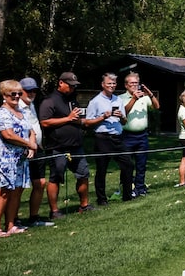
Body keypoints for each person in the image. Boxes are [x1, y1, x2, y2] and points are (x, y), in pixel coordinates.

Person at [38, 71, 93, 215]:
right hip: (57, 147)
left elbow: (76, 119)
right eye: (70, 86)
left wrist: (83, 122)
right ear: (61, 83)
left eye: (74, 86)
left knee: (83, 174)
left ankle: (84, 205)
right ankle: (54, 211)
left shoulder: (72, 99)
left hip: (76, 146)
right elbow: (44, 122)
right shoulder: (49, 100)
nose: (73, 89)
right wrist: (67, 119)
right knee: (55, 178)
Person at [0, 79, 36, 237]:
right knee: (4, 190)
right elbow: (8, 135)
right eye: (13, 94)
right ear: (4, 95)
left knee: (17, 190)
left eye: (19, 93)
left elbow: (31, 131)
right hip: (5, 156)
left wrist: (31, 144)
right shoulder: (2, 113)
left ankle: (11, 225)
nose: (16, 96)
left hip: (20, 156)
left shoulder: (21, 112)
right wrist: (28, 144)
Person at [86, 72, 133, 205]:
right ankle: (102, 199)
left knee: (128, 164)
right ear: (103, 85)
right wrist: (103, 118)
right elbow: (87, 122)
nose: (112, 86)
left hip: (117, 137)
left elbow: (124, 121)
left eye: (113, 83)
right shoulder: (95, 102)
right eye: (109, 83)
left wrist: (122, 117)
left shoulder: (118, 100)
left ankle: (127, 195)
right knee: (102, 169)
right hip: (102, 138)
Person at [17, 77, 54, 227]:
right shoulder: (16, 106)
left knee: (40, 183)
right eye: (28, 91)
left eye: (34, 91)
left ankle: (34, 217)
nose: (32, 93)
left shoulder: (31, 105)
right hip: (23, 150)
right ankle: (13, 220)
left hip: (37, 148)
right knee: (18, 187)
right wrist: (29, 145)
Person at [120, 72, 159, 197]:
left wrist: (150, 93)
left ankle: (140, 188)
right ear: (126, 85)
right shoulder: (121, 98)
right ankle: (126, 188)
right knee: (127, 164)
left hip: (142, 135)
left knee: (141, 164)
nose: (134, 86)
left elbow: (157, 106)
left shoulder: (144, 98)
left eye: (136, 83)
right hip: (127, 135)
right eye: (132, 83)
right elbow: (123, 112)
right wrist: (134, 99)